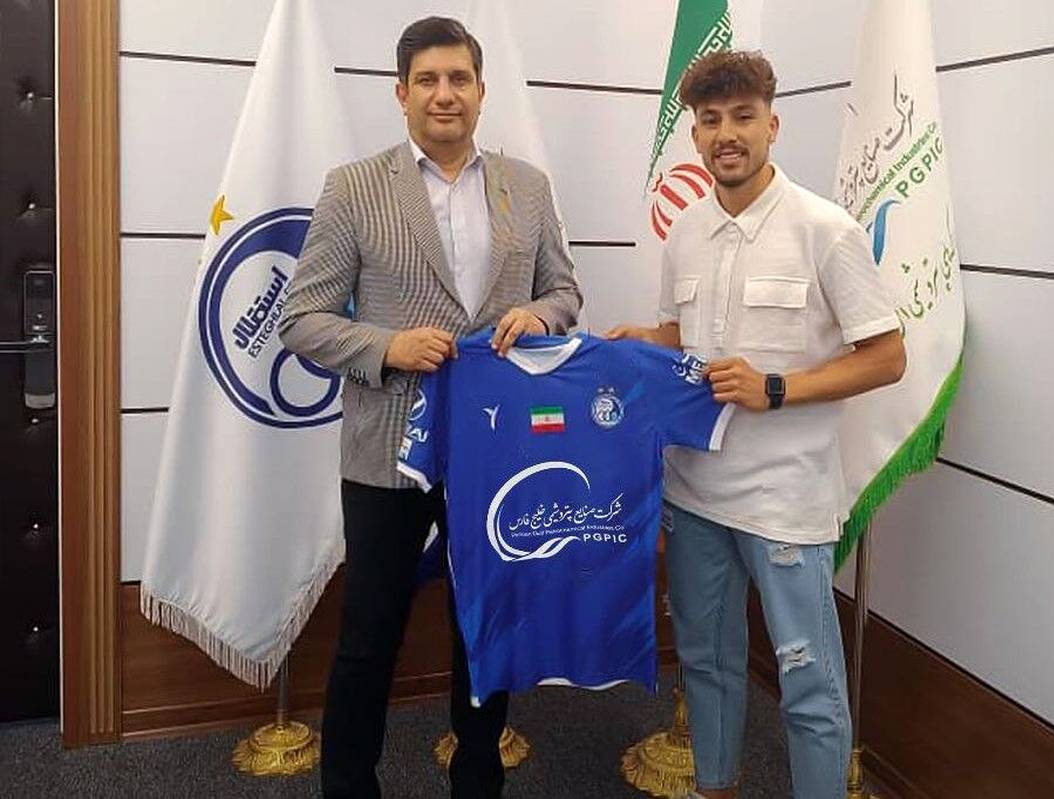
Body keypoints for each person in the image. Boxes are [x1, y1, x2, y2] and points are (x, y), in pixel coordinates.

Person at [279, 15, 581, 799]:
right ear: (401, 93)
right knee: (368, 635)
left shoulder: (527, 187)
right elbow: (301, 319)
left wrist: (540, 315)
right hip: (387, 449)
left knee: (484, 631)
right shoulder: (354, 188)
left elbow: (564, 292)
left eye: (458, 79)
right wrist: (387, 346)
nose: (444, 94)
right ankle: (350, 786)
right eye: (427, 80)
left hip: (497, 454)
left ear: (481, 91)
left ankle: (478, 782)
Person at [607, 51, 906, 799]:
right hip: (695, 493)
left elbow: (887, 356)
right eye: (711, 121)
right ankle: (716, 787)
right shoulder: (685, 230)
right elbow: (684, 336)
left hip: (784, 502)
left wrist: (776, 388)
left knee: (809, 686)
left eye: (743, 117)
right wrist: (647, 342)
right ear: (696, 137)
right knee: (706, 666)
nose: (726, 134)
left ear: (772, 125)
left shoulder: (824, 229)